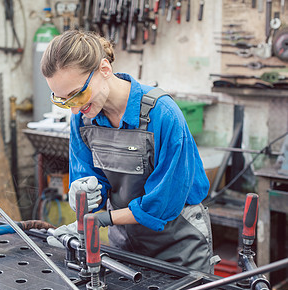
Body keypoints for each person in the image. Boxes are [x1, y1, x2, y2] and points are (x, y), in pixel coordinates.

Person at [41, 30, 217, 273]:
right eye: (63, 101)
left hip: (178, 247)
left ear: (104, 69)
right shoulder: (83, 118)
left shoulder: (162, 114)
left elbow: (164, 203)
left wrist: (103, 219)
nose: (74, 109)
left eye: (77, 95)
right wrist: (85, 192)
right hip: (123, 246)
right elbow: (90, 176)